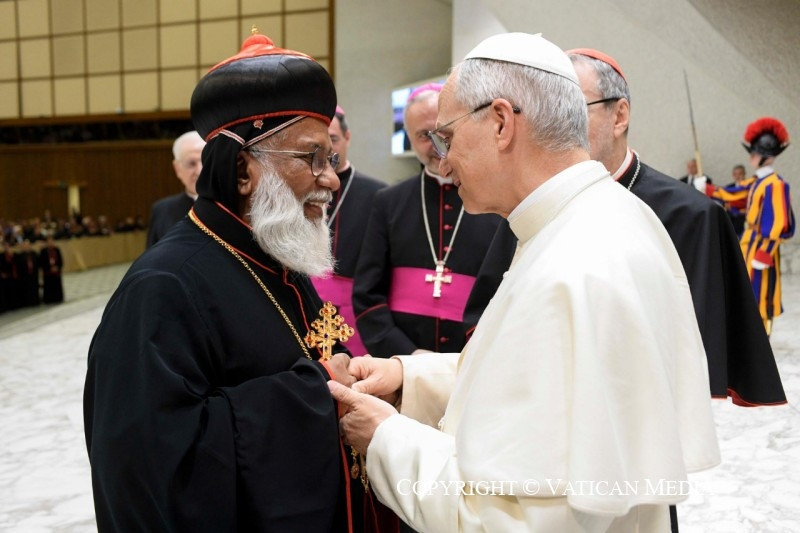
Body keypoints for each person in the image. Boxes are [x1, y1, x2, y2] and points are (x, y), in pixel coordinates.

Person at [329, 32, 720, 533]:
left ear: (500, 122)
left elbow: (516, 520)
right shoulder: (600, 217)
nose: (443, 162)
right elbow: (534, 381)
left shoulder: (574, 266)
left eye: (447, 137)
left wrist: (386, 438)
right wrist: (411, 377)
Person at [84, 32, 395, 532]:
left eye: (331, 158)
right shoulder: (162, 287)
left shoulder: (277, 256)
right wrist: (317, 390)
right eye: (312, 158)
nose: (332, 179)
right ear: (243, 171)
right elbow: (150, 470)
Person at [464, 47, 786, 409]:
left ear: (619, 116)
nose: (556, 126)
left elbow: (694, 354)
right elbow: (492, 323)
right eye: (547, 112)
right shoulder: (530, 205)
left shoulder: (693, 216)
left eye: (574, 108)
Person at [352, 83, 501, 357]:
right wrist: (409, 356)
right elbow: (367, 297)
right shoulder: (388, 202)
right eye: (424, 135)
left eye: (444, 132)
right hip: (401, 364)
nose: (436, 144)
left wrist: (469, 360)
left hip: (475, 361)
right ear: (409, 139)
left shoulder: (498, 200)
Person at [310, 106, 387, 356]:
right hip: (306, 302)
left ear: (348, 137)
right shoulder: (301, 188)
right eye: (318, 144)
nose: (328, 150)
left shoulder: (378, 194)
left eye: (333, 139)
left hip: (356, 311)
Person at [733, 117, 794, 334]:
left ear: (766, 157)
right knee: (748, 294)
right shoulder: (757, 182)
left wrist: (764, 253)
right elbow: (735, 195)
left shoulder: (776, 185)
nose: (751, 156)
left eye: (755, 153)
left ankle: (761, 338)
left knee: (761, 297)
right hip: (749, 244)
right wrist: (709, 190)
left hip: (760, 249)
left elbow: (778, 224)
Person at [145, 130, 206, 247]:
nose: (200, 171)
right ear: (177, 168)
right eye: (191, 164)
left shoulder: (235, 205)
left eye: (205, 161)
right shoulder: (162, 210)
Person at [39, 236, 64, 303]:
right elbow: (41, 262)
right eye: (49, 242)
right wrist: (49, 268)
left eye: (52, 241)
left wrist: (57, 267)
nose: (50, 243)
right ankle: (49, 299)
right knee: (49, 287)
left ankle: (58, 298)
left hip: (56, 271)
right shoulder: (43, 251)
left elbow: (60, 260)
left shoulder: (57, 249)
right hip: (48, 272)